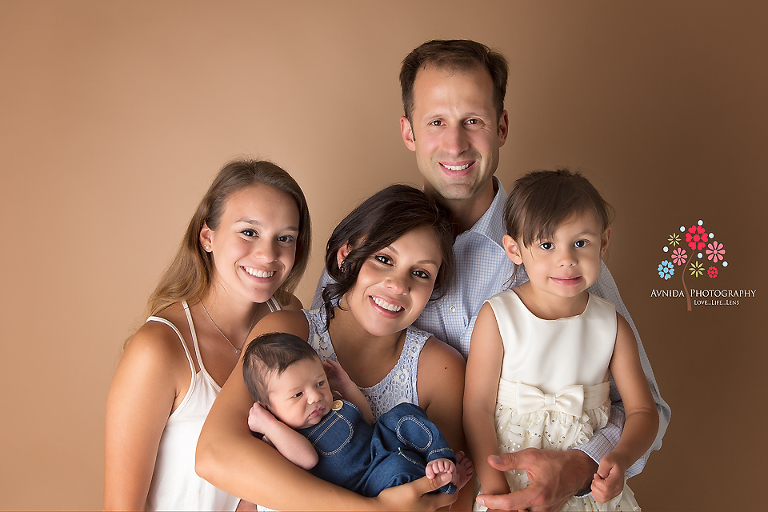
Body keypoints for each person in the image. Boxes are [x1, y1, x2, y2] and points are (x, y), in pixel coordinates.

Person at [311, 38, 670, 511]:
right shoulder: (370, 252)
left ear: (501, 127)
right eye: (436, 122)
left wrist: (582, 467)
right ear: (408, 131)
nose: (455, 143)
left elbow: (647, 411)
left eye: (473, 121)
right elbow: (310, 373)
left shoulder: (556, 255)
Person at [196, 185, 472, 510]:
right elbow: (214, 454)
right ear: (346, 257)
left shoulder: (440, 369)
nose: (398, 285)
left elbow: (449, 498)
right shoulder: (288, 332)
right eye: (383, 259)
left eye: (421, 273)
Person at [104, 159, 311, 511]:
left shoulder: (290, 317)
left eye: (285, 238)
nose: (268, 254)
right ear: (208, 237)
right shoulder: (159, 349)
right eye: (249, 232)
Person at [464, 169, 659, 511]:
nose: (566, 258)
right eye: (547, 244)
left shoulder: (611, 325)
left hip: (584, 489)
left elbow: (643, 410)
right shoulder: (498, 316)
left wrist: (619, 458)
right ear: (514, 249)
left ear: (604, 241)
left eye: (580, 243)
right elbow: (476, 408)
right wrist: (496, 489)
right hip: (509, 480)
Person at [242, 331, 473, 497]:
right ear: (269, 407)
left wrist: (347, 385)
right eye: (297, 395)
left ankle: (439, 458)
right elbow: (307, 458)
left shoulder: (332, 403)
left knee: (404, 414)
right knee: (398, 471)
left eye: (320, 382)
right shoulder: (283, 435)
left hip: (380, 442)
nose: (315, 396)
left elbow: (367, 419)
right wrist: (269, 425)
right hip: (367, 481)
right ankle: (444, 485)